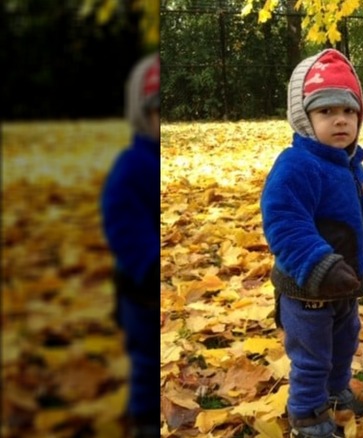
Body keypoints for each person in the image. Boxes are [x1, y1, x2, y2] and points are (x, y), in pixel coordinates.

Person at [260, 48, 363, 437]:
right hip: (307, 288)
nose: (340, 120)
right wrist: (318, 264)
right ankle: (306, 411)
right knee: (312, 356)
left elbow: (343, 206)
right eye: (326, 112)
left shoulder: (348, 163)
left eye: (349, 112)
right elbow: (285, 221)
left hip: (343, 284)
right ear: (304, 119)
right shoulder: (296, 166)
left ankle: (335, 392)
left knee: (343, 344)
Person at [100, 52, 160, 438]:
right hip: (140, 286)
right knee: (146, 359)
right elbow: (121, 220)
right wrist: (150, 261)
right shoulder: (132, 165)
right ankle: (144, 419)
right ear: (143, 115)